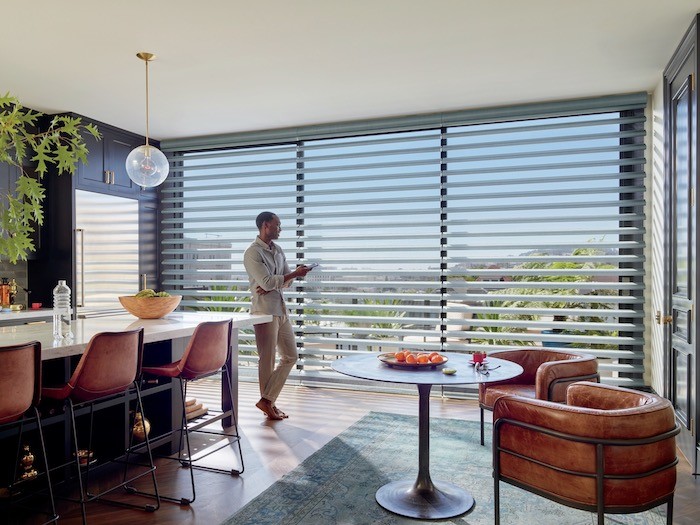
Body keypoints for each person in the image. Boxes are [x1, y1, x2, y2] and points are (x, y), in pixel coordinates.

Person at [243, 211, 312, 420]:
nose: (280, 229)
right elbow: (267, 282)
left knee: (291, 356)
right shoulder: (252, 253)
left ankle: (267, 400)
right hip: (264, 311)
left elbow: (284, 281)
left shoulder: (278, 250)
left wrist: (280, 280)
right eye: (277, 225)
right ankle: (269, 405)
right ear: (266, 226)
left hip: (281, 309)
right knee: (267, 359)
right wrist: (283, 278)